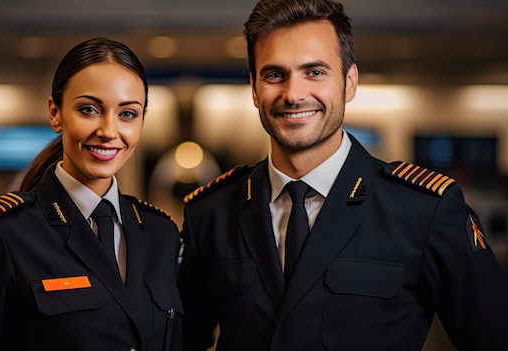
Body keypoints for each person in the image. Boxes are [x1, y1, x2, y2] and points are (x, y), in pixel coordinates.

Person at [177, 0, 508, 350]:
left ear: (350, 82)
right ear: (254, 89)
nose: (293, 94)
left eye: (315, 72)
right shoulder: (211, 213)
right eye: (275, 74)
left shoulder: (424, 211)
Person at [0, 38, 182, 351]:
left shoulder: (160, 232)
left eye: (127, 114)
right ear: (55, 113)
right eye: (89, 109)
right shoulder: (4, 233)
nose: (109, 131)